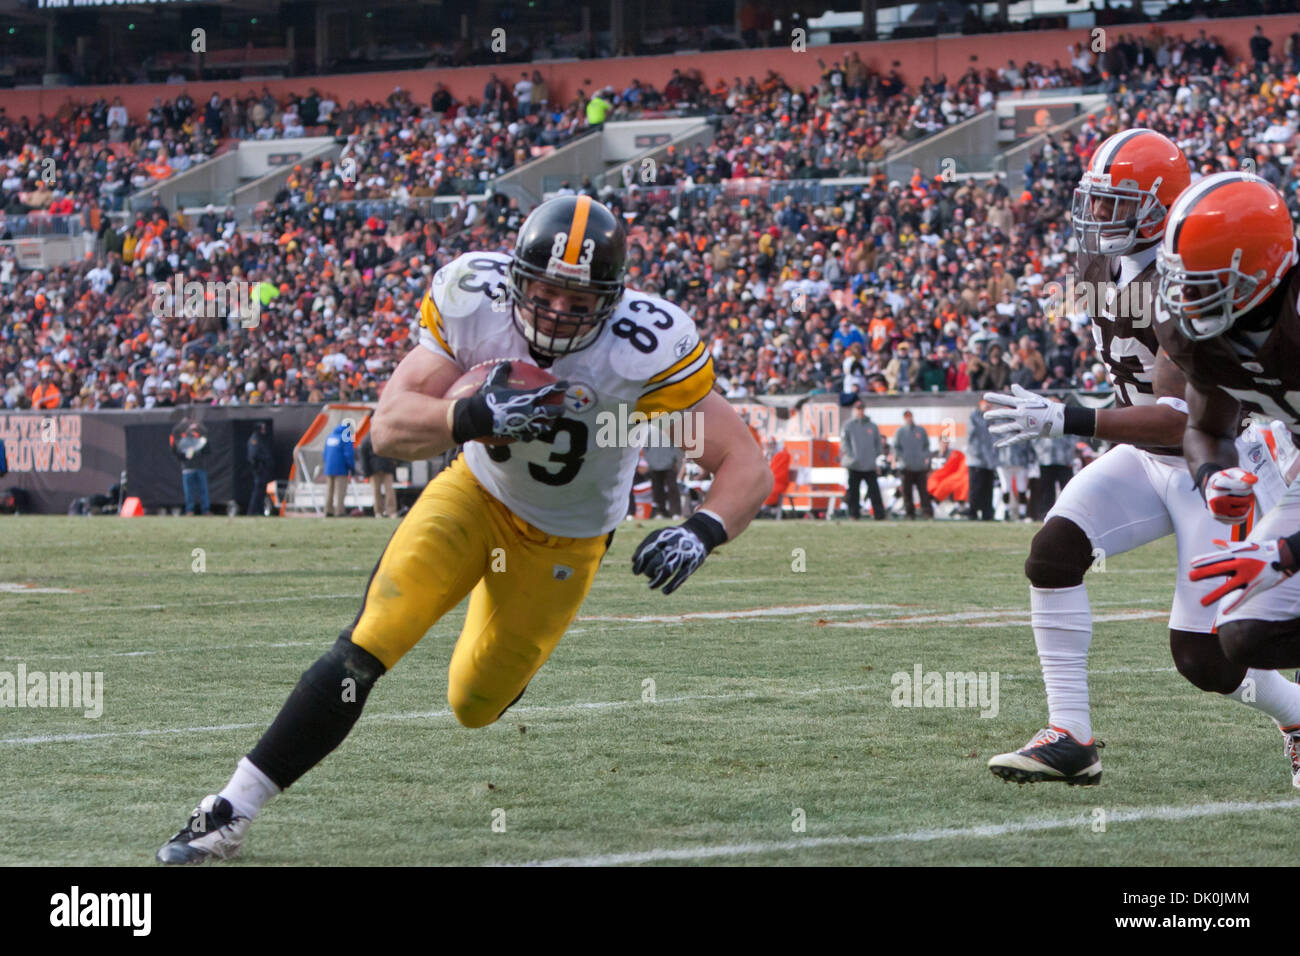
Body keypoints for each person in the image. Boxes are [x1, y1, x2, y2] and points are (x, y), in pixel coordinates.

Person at [156, 195, 771, 863]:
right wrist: (474, 415)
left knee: (474, 704)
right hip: (474, 494)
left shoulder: (642, 349)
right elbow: (389, 428)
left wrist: (704, 529)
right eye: (544, 290)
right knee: (368, 643)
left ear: (611, 300)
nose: (559, 311)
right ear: (514, 280)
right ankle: (230, 809)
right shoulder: (473, 298)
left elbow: (743, 460)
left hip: (566, 538)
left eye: (579, 300)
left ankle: (512, 645)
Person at [984, 139, 1300, 788]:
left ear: (1160, 209)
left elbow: (1182, 417)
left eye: (1115, 202)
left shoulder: (1189, 278)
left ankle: (1296, 714)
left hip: (1211, 464)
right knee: (1052, 553)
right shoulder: (1099, 262)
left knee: (1208, 658)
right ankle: (1070, 735)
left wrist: (1071, 416)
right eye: (1094, 199)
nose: (1097, 215)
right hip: (1155, 456)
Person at [1154, 172, 1300, 685]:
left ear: (1261, 271)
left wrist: (1287, 552)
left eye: (1204, 281)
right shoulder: (1206, 333)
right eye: (1180, 278)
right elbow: (1203, 425)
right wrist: (1212, 475)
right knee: (1246, 632)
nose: (1185, 297)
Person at [839, 399, 886, 520]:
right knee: (853, 491)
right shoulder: (848, 425)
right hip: (854, 464)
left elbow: (878, 444)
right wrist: (852, 456)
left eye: (862, 409)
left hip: (869, 464)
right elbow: (844, 443)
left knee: (874, 491)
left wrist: (874, 456)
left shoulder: (872, 426)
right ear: (854, 410)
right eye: (858, 409)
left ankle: (879, 514)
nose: (860, 411)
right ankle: (854, 514)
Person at [893, 410, 932, 519]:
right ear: (904, 418)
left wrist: (924, 457)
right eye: (907, 417)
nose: (909, 418)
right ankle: (910, 513)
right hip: (906, 467)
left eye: (910, 416)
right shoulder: (900, 432)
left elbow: (926, 446)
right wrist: (902, 458)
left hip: (920, 466)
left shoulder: (920, 430)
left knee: (923, 492)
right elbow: (896, 448)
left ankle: (927, 513)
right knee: (907, 493)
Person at [358, 424, 400, 519]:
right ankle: (383, 512)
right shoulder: (383, 436)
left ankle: (385, 512)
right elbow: (364, 457)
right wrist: (366, 472)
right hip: (377, 468)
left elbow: (363, 456)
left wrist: (366, 472)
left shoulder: (368, 437)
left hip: (382, 467)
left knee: (384, 491)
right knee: (382, 491)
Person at [170, 418, 210, 516]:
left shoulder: (199, 442)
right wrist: (182, 423)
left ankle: (203, 510)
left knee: (201, 491)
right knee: (190, 492)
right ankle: (190, 510)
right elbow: (175, 434)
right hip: (188, 470)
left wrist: (198, 424)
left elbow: (206, 435)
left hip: (198, 468)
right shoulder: (183, 443)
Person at [966, 399, 997, 521]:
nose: (988, 407)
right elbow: (972, 435)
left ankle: (987, 512)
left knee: (988, 488)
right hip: (977, 459)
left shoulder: (992, 419)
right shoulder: (974, 416)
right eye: (986, 404)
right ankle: (973, 512)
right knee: (976, 488)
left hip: (989, 460)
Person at [322, 419, 355, 517]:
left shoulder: (330, 437)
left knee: (329, 490)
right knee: (340, 491)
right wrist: (351, 467)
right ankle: (339, 511)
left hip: (328, 468)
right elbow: (348, 454)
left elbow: (324, 453)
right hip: (341, 469)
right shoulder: (346, 437)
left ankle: (328, 510)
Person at [643, 438, 682, 519]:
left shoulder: (670, 429)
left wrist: (672, 459)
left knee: (672, 488)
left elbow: (675, 446)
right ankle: (660, 512)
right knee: (657, 489)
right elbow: (645, 447)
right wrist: (650, 460)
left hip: (669, 464)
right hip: (654, 465)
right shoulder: (649, 430)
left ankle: (675, 512)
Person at [246, 423, 274, 517]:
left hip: (263, 469)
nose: (264, 430)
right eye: (262, 428)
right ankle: (252, 511)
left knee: (262, 491)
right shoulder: (255, 439)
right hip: (259, 469)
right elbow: (253, 455)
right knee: (257, 491)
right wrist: (264, 459)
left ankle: (260, 510)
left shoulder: (261, 439)